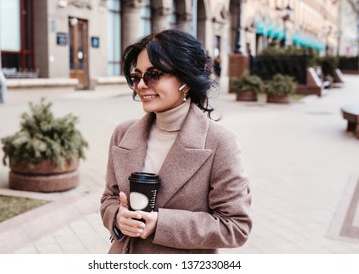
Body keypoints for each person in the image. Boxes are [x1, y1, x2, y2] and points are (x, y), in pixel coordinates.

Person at [100, 28, 252, 254]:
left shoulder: (220, 142)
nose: (142, 85)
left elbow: (235, 227)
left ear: (186, 80)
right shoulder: (123, 133)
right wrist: (117, 217)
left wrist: (162, 224)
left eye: (153, 75)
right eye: (137, 77)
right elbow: (109, 199)